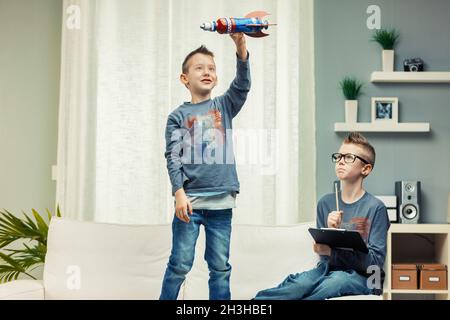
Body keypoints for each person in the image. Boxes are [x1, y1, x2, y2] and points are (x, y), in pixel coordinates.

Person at [160, 33, 250, 300]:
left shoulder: (223, 105)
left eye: (211, 68)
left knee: (220, 267)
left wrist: (241, 47)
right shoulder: (178, 116)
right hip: (190, 204)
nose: (207, 72)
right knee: (179, 264)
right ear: (184, 79)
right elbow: (173, 156)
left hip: (221, 204)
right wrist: (178, 192)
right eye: (199, 68)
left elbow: (243, 85)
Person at [254, 132, 390, 300]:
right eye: (339, 156)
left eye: (348, 157)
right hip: (328, 270)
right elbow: (322, 252)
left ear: (366, 168)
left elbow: (375, 264)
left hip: (367, 278)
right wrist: (329, 233)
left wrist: (332, 251)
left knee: (336, 282)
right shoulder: (325, 203)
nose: (340, 161)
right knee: (299, 285)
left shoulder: (376, 208)